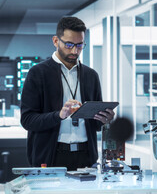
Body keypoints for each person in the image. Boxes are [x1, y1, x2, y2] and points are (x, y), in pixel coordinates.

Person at [20, 16, 115, 171]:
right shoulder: (37, 73)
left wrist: (105, 119)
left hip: (86, 157)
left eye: (79, 45)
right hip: (51, 157)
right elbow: (27, 120)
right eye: (69, 44)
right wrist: (59, 115)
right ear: (56, 41)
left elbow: (95, 125)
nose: (74, 50)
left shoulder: (91, 76)